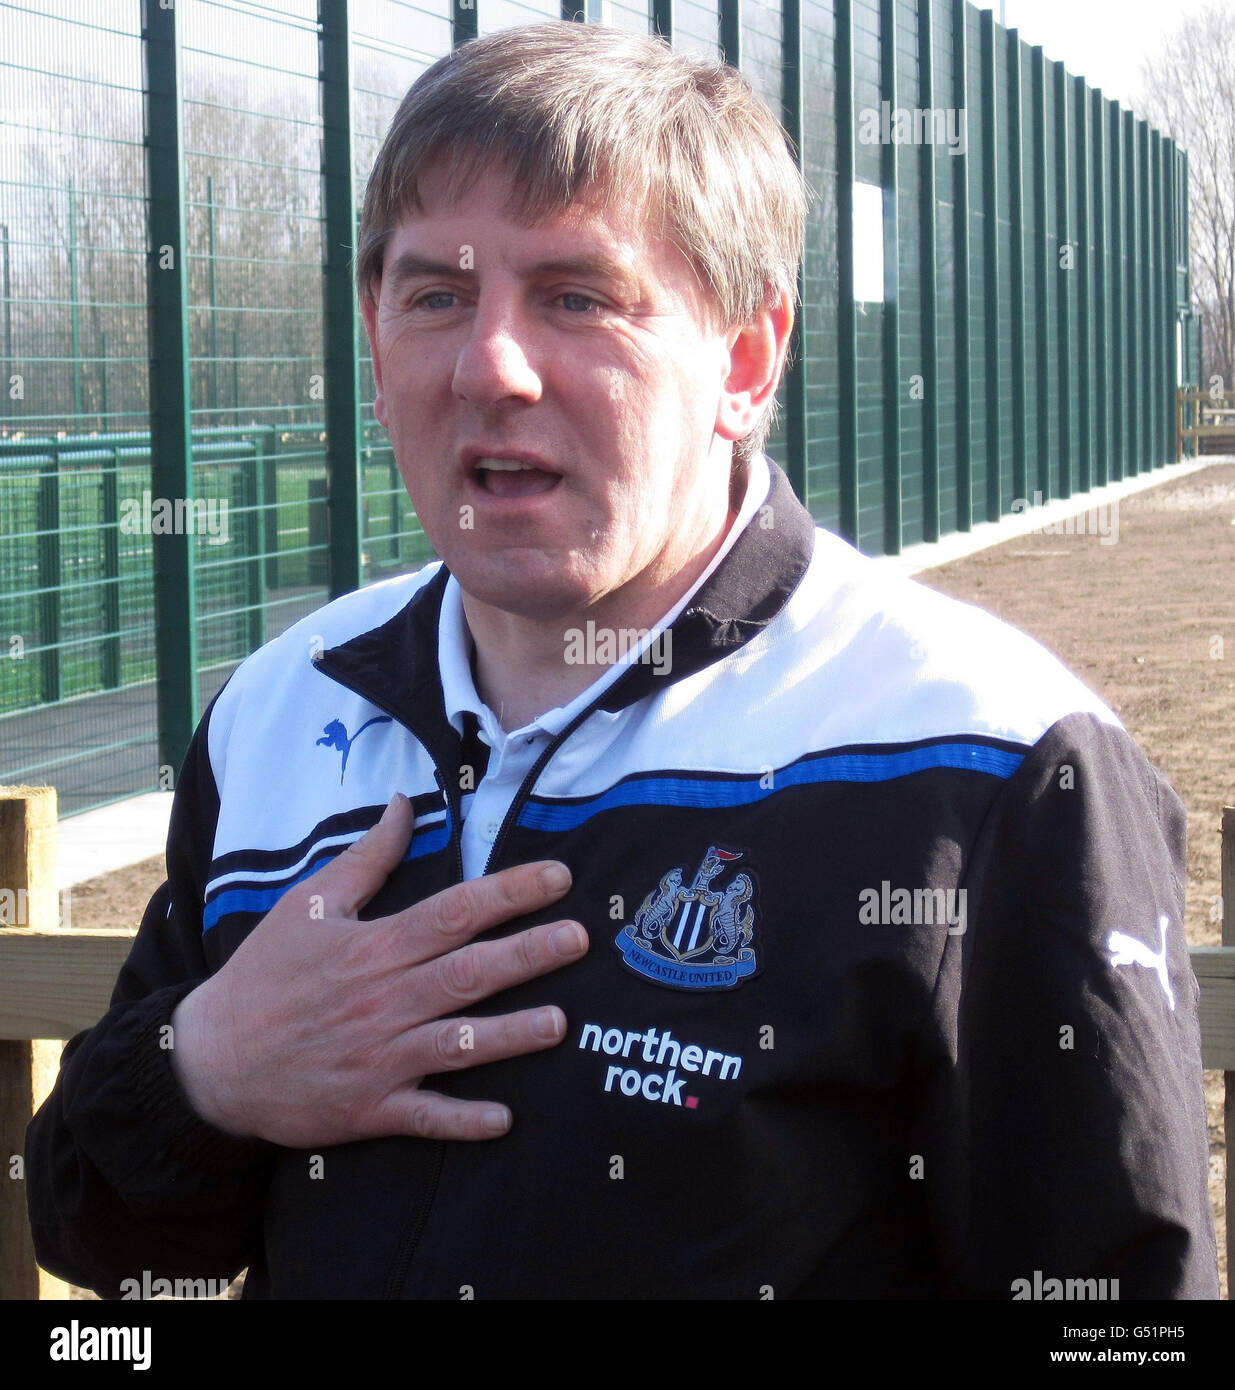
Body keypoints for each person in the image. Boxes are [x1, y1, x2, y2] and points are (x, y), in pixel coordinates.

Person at [26, 21, 1217, 1300]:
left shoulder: (986, 761)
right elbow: (108, 1242)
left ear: (745, 361)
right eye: (435, 294)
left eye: (576, 297)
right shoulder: (280, 709)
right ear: (374, 341)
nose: (489, 365)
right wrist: (205, 1068)